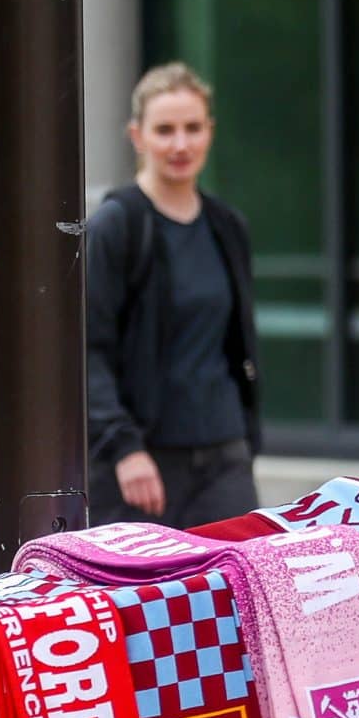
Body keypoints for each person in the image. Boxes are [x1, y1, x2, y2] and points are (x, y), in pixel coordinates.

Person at [86, 62, 263, 528]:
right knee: (143, 600)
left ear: (210, 132)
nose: (180, 144)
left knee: (236, 592)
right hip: (143, 467)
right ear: (137, 135)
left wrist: (247, 439)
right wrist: (123, 449)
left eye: (192, 128)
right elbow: (87, 349)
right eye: (165, 130)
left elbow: (236, 342)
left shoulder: (227, 226)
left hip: (225, 457)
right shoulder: (117, 225)